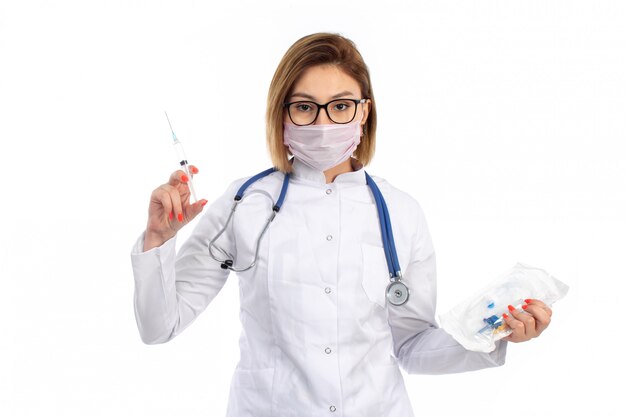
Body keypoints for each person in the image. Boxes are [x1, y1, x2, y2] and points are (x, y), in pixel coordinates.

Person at [130, 32, 553, 417]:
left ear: (364, 111)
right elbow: (159, 326)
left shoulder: (400, 212)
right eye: (304, 107)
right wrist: (158, 240)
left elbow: (410, 346)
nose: (323, 123)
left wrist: (493, 335)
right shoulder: (245, 203)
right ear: (282, 114)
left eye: (340, 105)